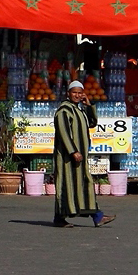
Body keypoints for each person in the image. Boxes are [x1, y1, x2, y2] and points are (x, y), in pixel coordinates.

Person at [53, 80, 114, 228]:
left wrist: (89, 105)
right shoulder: (64, 111)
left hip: (80, 157)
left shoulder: (78, 110)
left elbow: (92, 123)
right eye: (75, 92)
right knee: (67, 186)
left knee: (84, 184)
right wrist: (73, 151)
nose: (77, 95)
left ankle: (96, 216)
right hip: (68, 159)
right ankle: (93, 216)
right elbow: (64, 132)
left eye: (80, 93)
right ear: (69, 93)